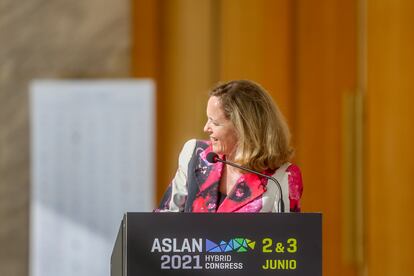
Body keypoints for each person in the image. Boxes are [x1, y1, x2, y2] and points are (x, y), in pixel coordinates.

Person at [156, 80, 303, 213]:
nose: (206, 128)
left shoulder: (281, 178)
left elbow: (287, 238)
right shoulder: (196, 154)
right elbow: (165, 219)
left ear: (244, 129)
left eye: (215, 123)